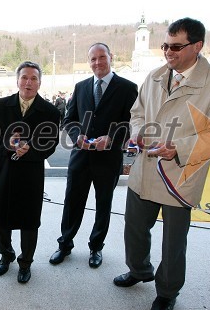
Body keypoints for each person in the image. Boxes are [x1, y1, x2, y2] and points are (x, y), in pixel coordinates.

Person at [113, 18, 210, 310]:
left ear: (197, 46)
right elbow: (137, 113)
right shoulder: (155, 76)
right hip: (144, 171)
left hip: (181, 177)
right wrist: (138, 133)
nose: (168, 52)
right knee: (133, 229)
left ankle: (167, 292)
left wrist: (179, 148)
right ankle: (139, 270)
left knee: (173, 244)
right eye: (165, 46)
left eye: (176, 47)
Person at [49, 43, 138, 268]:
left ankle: (96, 247)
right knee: (72, 203)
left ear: (111, 57)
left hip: (108, 159)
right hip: (81, 157)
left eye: (101, 57)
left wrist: (111, 138)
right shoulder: (80, 87)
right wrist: (78, 135)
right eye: (93, 59)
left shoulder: (128, 88)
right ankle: (65, 244)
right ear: (89, 62)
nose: (97, 62)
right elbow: (69, 119)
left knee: (103, 205)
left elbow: (133, 123)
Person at [0, 61, 60, 284]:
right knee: (1, 217)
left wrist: (31, 150)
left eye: (33, 78)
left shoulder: (50, 111)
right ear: (17, 80)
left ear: (39, 82)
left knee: (29, 220)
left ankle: (26, 263)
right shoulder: (1, 105)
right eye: (24, 77)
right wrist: (10, 146)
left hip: (31, 175)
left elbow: (50, 144)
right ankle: (6, 256)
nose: (28, 82)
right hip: (5, 170)